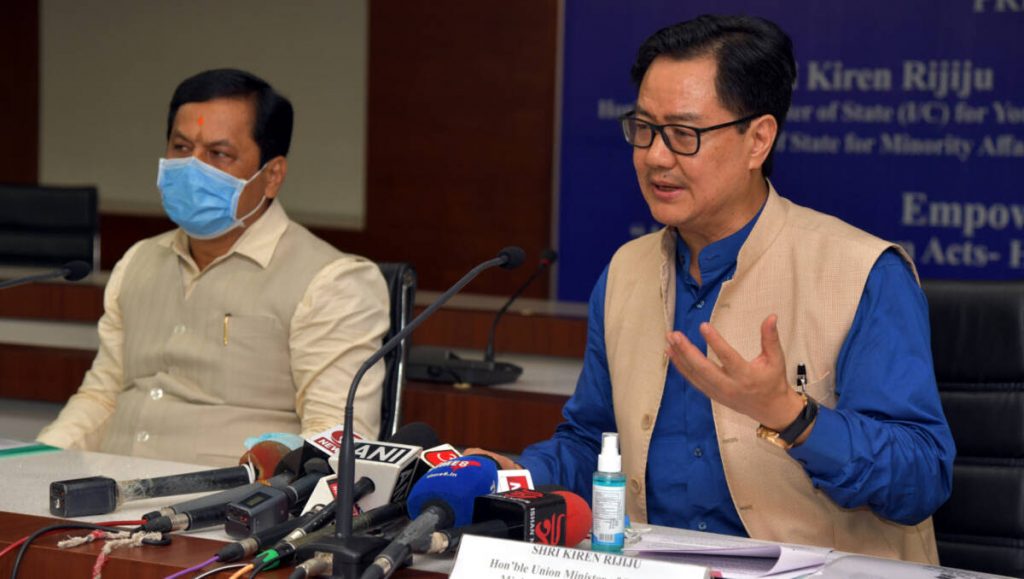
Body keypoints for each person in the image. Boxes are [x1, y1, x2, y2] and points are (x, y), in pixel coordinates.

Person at [470, 15, 954, 563]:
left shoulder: (864, 272)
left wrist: (792, 416)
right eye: (644, 128)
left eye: (684, 134)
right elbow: (593, 443)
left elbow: (922, 477)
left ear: (758, 140)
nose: (656, 156)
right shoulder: (626, 273)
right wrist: (515, 475)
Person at [38, 69, 389, 466]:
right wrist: (30, 463)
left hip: (231, 501)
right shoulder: (138, 260)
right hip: (104, 491)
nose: (193, 167)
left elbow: (336, 438)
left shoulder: (332, 282)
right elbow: (102, 399)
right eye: (181, 147)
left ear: (272, 176)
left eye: (219, 154)